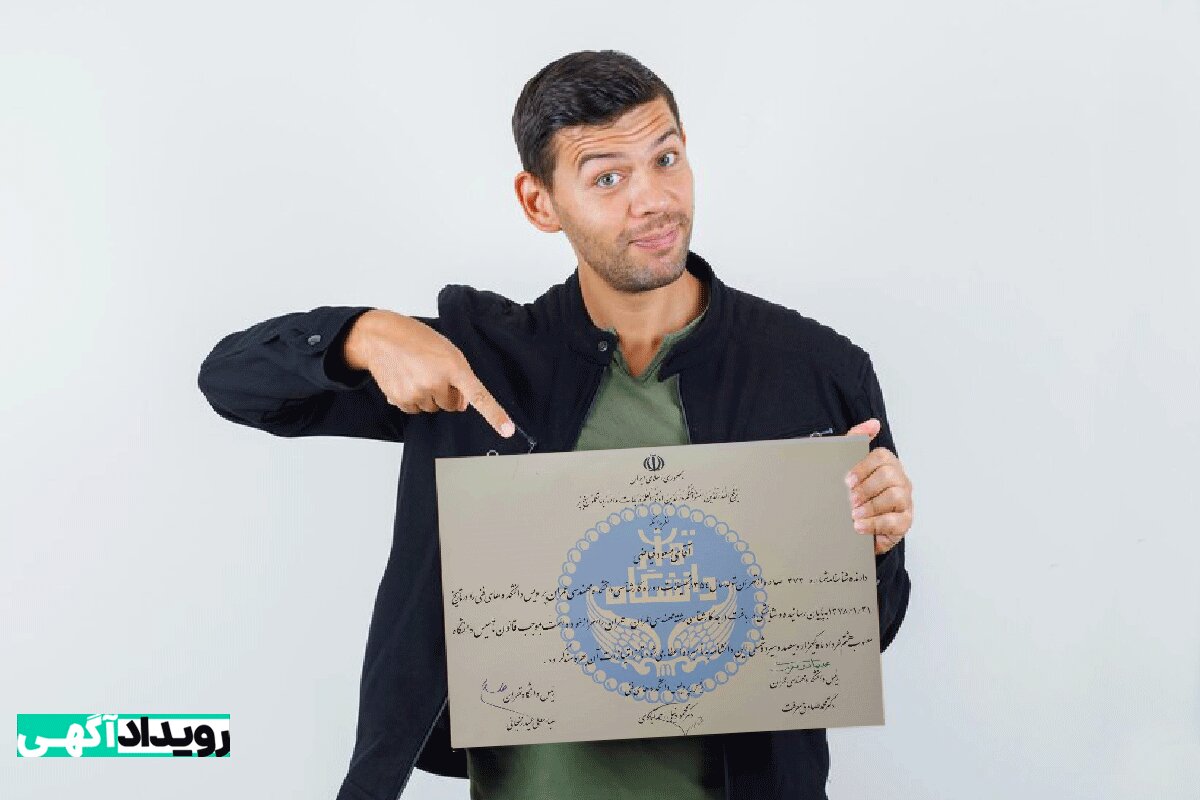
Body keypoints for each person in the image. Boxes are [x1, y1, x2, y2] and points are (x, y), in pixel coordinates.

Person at [197, 49, 913, 800]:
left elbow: (870, 630)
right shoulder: (476, 365)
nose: (653, 200)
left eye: (666, 158)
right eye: (608, 177)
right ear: (540, 203)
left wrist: (876, 546)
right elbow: (236, 385)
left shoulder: (816, 368)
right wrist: (361, 334)